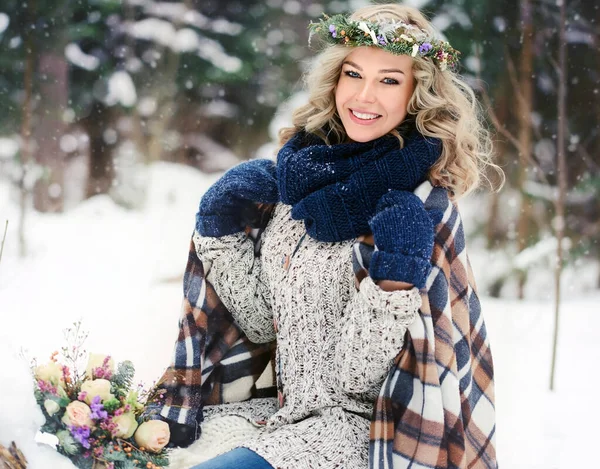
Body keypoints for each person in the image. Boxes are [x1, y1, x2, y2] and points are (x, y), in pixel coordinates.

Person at [149, 3, 502, 469]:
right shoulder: (301, 181)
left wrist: (392, 282)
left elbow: (357, 379)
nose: (365, 95)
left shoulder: (419, 205)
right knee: (133, 444)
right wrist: (222, 231)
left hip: (363, 433)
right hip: (282, 413)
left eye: (389, 80)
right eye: (354, 74)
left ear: (419, 93)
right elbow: (261, 325)